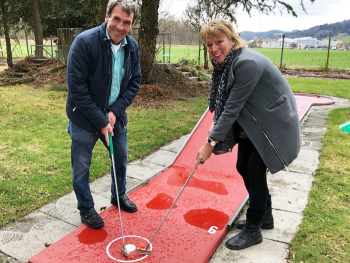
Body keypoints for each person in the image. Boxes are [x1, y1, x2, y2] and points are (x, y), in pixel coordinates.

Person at [194, 19, 301, 250]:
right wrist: (215, 127)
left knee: (254, 169)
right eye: (209, 44)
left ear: (232, 39)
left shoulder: (246, 63)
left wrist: (209, 144)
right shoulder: (226, 64)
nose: (214, 49)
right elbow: (225, 105)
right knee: (243, 166)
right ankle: (265, 216)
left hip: (273, 123)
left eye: (219, 41)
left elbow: (232, 108)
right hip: (254, 122)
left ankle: (253, 230)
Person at [66, 0, 141, 229]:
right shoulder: (84, 42)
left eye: (126, 22)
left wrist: (114, 111)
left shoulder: (133, 48)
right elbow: (77, 89)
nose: (120, 26)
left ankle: (118, 196)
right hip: (83, 118)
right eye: (116, 19)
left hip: (114, 116)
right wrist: (100, 120)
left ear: (132, 25)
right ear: (107, 16)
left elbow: (134, 82)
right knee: (81, 167)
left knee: (120, 158)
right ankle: (86, 207)